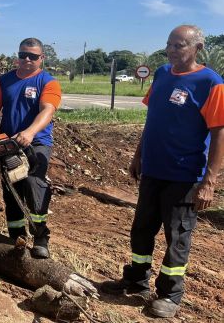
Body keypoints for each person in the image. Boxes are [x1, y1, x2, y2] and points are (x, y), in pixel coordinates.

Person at [101, 25, 224, 319]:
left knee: (177, 235)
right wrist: (138, 154)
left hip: (184, 175)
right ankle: (136, 281)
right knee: (142, 228)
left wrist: (210, 181)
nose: (171, 51)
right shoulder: (161, 74)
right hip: (153, 169)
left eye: (178, 46)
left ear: (197, 48)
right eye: (169, 44)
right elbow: (152, 119)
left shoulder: (211, 83)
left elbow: (219, 133)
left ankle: (169, 294)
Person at [0, 37, 62, 259]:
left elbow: (47, 110)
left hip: (36, 142)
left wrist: (30, 132)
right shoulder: (5, 81)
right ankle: (16, 236)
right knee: (12, 189)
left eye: (33, 56)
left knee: (34, 184)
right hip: (8, 144)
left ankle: (40, 237)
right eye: (23, 55)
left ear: (42, 58)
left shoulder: (48, 82)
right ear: (17, 56)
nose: (27, 59)